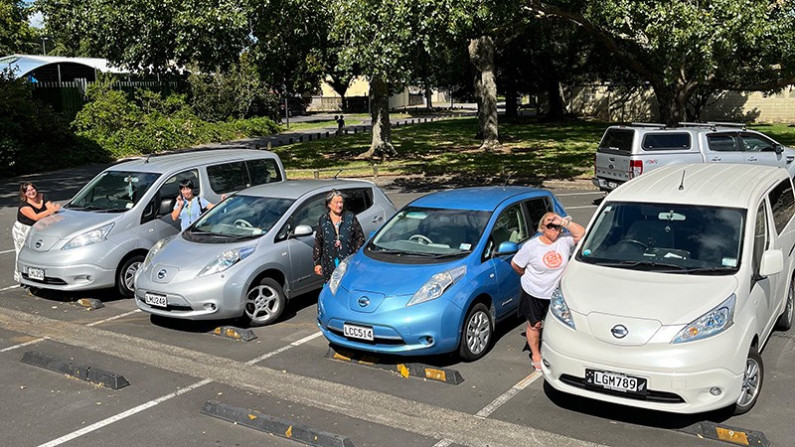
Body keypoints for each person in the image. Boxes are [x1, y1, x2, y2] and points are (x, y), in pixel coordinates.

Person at [511, 212, 584, 372]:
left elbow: (582, 234)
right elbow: (516, 264)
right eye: (550, 225)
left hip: (556, 293)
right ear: (542, 228)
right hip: (534, 292)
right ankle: (536, 355)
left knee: (563, 324)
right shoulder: (532, 246)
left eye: (556, 226)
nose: (554, 229)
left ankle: (563, 354)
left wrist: (564, 222)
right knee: (535, 325)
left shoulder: (564, 240)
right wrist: (528, 276)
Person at [13, 182, 61, 282]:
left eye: (32, 189)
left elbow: (50, 207)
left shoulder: (42, 196)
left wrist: (53, 210)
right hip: (23, 229)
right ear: (24, 194)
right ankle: (20, 277)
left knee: (39, 251)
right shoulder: (24, 206)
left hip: (38, 228)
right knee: (22, 252)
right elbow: (35, 217)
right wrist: (51, 210)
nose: (31, 192)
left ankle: (39, 275)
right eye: (28, 191)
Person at [313, 190, 365, 281]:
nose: (339, 205)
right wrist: (317, 263)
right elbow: (318, 242)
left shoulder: (350, 217)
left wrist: (356, 257)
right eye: (336, 202)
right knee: (332, 287)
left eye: (341, 202)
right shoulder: (323, 220)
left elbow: (360, 238)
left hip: (348, 262)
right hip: (330, 263)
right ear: (329, 204)